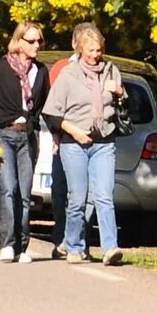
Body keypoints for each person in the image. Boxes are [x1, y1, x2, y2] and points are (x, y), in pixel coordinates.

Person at [43, 21, 129, 265]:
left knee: (103, 196)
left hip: (104, 142)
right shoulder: (68, 74)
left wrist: (121, 92)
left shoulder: (111, 70)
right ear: (80, 49)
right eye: (91, 50)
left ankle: (111, 248)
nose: (95, 55)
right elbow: (52, 113)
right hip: (74, 144)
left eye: (99, 50)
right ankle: (73, 245)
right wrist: (73, 132)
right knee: (78, 198)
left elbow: (124, 105)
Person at [0, 20, 50, 262]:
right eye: (31, 41)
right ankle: (7, 244)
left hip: (26, 135)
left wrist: (37, 126)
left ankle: (22, 247)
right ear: (18, 42)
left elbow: (43, 105)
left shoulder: (41, 71)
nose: (37, 45)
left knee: (25, 193)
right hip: (2, 134)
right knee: (8, 188)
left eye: (39, 40)